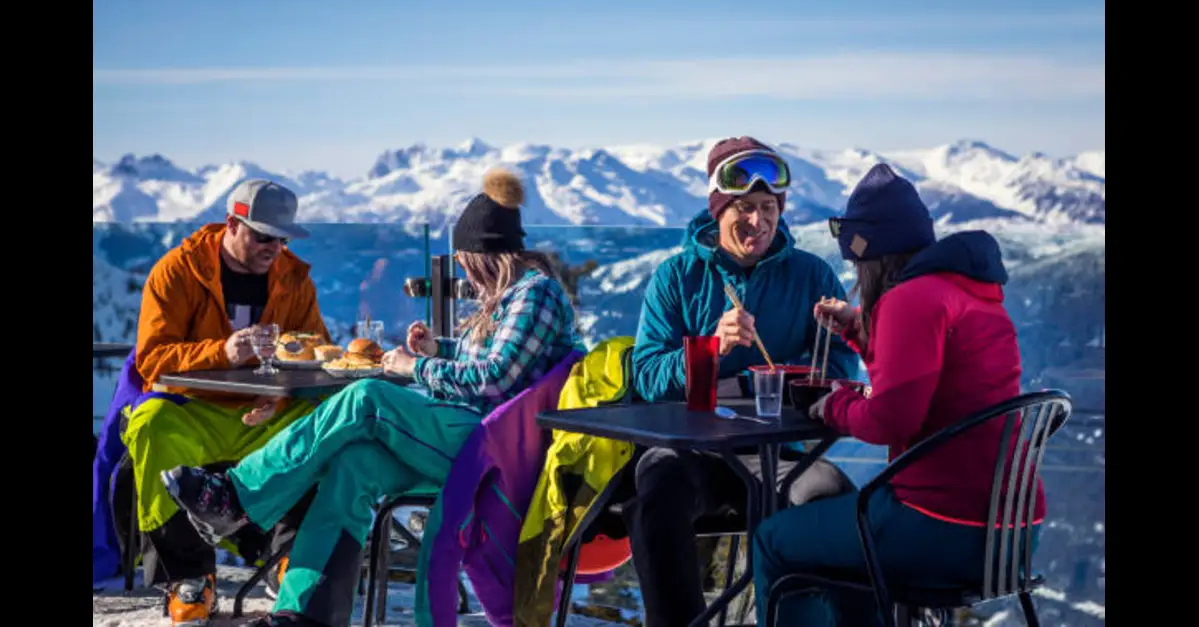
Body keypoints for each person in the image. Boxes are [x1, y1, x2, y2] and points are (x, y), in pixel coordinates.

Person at [161, 168, 584, 627]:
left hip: (494, 448)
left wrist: (414, 367)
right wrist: (436, 350)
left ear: (483, 254)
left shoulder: (532, 294)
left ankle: (237, 497)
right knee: (353, 464)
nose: (461, 268)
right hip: (474, 434)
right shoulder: (513, 297)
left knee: (366, 397)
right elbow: (494, 358)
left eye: (463, 259)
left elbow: (496, 377)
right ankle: (303, 613)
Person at [752, 163, 1042, 626]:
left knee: (774, 539)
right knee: (842, 552)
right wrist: (862, 331)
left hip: (941, 526)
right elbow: (934, 376)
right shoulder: (965, 292)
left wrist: (834, 405)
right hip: (1010, 535)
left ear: (868, 254)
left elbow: (891, 420)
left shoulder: (910, 300)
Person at [626, 136, 861, 627]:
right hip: (691, 450)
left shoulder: (811, 275)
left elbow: (840, 368)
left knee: (830, 500)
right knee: (656, 497)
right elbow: (647, 377)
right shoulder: (677, 277)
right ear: (718, 210)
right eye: (746, 207)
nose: (758, 221)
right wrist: (710, 348)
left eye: (769, 207)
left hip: (777, 455)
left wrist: (794, 378)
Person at [120, 179, 330, 626]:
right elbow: (152, 357)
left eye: (281, 238)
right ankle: (190, 576)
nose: (273, 247)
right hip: (195, 410)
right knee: (151, 423)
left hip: (264, 410)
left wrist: (279, 397)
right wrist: (222, 351)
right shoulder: (177, 271)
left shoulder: (293, 278)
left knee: (325, 420)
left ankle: (287, 558)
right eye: (262, 235)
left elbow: (314, 349)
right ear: (231, 224)